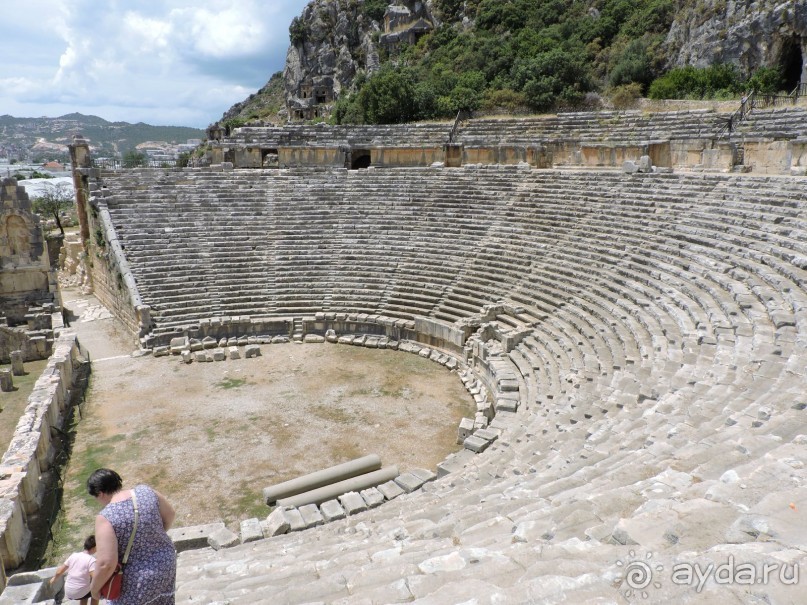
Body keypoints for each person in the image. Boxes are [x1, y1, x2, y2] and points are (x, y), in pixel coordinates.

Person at [86, 468, 176, 604]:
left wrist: (94, 589)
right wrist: (152, 537)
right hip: (166, 564)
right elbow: (170, 514)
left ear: (100, 493)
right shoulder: (146, 492)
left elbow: (106, 563)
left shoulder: (106, 516)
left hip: (137, 580)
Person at [50, 534, 98, 605]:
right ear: (94, 548)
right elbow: (95, 578)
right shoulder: (91, 560)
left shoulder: (73, 555)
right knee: (96, 591)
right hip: (79, 591)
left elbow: (60, 571)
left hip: (68, 591)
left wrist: (54, 579)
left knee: (85, 592)